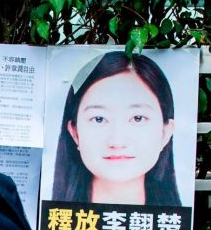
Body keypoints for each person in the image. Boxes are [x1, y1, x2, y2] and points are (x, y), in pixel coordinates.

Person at [51, 51, 180, 206]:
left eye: (138, 118)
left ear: (165, 132)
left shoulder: (173, 225)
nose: (117, 141)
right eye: (98, 119)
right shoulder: (55, 223)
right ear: (75, 133)